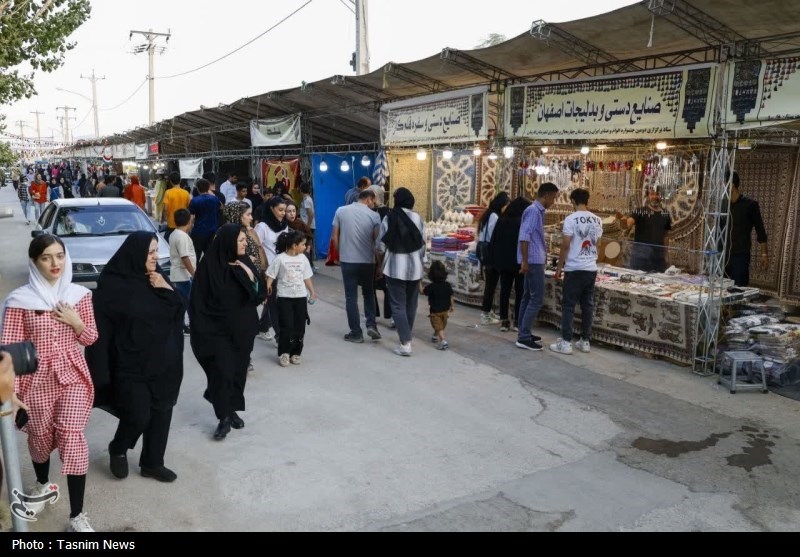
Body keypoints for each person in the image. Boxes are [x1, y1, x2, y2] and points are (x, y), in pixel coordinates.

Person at [1, 235, 98, 532]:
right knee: (40, 439)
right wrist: (10, 392)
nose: (55, 263)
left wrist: (76, 323)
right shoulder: (21, 301)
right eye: (46, 257)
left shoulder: (79, 295)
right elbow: (8, 348)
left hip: (72, 376)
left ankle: (77, 516)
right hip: (36, 380)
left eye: (60, 255)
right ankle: (43, 484)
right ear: (34, 262)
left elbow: (91, 337)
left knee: (72, 436)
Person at [85, 232, 185, 487]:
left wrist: (167, 290)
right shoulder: (111, 288)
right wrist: (100, 373)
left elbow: (178, 313)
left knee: (162, 413)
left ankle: (152, 463)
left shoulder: (157, 279)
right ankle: (118, 447)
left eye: (155, 252)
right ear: (135, 254)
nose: (155, 257)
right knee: (139, 415)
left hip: (164, 363)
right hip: (129, 366)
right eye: (150, 253)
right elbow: (100, 334)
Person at [189, 224, 266, 441]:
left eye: (245, 240)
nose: (245, 243)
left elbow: (259, 296)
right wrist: (202, 330)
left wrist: (251, 276)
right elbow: (197, 303)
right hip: (215, 332)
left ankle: (230, 408)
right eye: (241, 240)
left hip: (242, 331)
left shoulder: (245, 263)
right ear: (228, 242)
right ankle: (223, 417)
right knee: (222, 371)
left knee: (237, 372)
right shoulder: (208, 267)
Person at [550, 189, 603, 356]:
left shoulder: (570, 219)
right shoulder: (597, 220)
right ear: (587, 200)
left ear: (573, 201)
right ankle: (585, 341)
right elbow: (599, 244)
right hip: (590, 268)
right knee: (587, 305)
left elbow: (565, 245)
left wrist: (559, 267)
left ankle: (566, 342)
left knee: (569, 305)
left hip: (574, 268)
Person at [377, 188, 426, 357]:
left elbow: (381, 245)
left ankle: (405, 343)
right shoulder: (418, 218)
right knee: (411, 304)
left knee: (397, 305)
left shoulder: (389, 217)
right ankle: (406, 336)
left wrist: (379, 257)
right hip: (415, 268)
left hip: (395, 268)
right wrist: (422, 263)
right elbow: (422, 243)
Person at [332, 189, 382, 343]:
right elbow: (377, 243)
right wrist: (379, 264)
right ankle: (371, 325)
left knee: (351, 297)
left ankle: (356, 332)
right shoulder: (374, 216)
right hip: (367, 262)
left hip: (348, 261)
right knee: (368, 293)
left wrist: (339, 255)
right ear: (368, 199)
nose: (373, 205)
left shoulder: (341, 211)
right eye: (373, 202)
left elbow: (335, 237)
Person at [516, 182, 559, 352]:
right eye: (554, 198)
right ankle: (524, 337)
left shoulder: (536, 211)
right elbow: (524, 237)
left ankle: (524, 331)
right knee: (536, 298)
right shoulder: (534, 211)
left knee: (528, 297)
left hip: (533, 259)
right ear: (547, 196)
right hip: (533, 261)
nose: (554, 201)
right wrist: (525, 261)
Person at [266, 231, 317, 368]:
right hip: (284, 298)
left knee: (300, 326)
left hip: (300, 297)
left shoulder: (303, 259)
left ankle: (296, 352)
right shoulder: (280, 259)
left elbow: (306, 276)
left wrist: (312, 291)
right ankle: (284, 353)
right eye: (303, 244)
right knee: (287, 326)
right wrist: (266, 291)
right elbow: (270, 275)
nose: (306, 247)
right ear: (294, 245)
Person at [491, 197, 531, 332]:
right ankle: (517, 322)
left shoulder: (501, 220)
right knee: (520, 292)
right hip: (519, 262)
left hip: (504, 262)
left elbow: (494, 241)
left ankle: (504, 321)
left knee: (505, 291)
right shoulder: (522, 222)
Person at [723, 171, 769, 287]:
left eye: (723, 184)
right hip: (722, 256)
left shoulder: (750, 205)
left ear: (731, 185)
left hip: (740, 255)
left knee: (738, 290)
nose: (720, 188)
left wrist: (764, 254)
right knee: (721, 291)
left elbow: (760, 230)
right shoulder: (722, 205)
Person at [254, 197, 289, 343]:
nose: (283, 213)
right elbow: (255, 247)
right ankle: (280, 336)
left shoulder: (284, 225)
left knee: (273, 301)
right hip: (267, 271)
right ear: (271, 208)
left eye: (285, 210)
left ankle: (262, 326)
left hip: (282, 268)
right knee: (275, 302)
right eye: (280, 210)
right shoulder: (262, 227)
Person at [616, 188, 671, 273]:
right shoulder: (640, 211)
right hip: (641, 258)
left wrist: (666, 255)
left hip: (658, 259)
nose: (655, 197)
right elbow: (627, 225)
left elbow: (666, 236)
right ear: (647, 196)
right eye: (652, 194)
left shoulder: (665, 214)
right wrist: (622, 220)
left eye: (657, 194)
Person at [478, 192, 510, 325]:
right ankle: (485, 314)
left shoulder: (488, 214)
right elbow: (493, 236)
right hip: (491, 254)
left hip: (486, 252)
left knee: (490, 284)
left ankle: (488, 311)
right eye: (506, 205)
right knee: (491, 285)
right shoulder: (494, 216)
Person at [169, 209, 197, 335]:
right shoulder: (182, 237)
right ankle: (185, 326)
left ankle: (184, 325)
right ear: (188, 221)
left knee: (183, 301)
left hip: (179, 274)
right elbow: (184, 256)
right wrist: (193, 273)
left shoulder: (174, 234)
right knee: (187, 302)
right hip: (183, 275)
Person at [422, 261, 454, 351]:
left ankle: (443, 341)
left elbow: (422, 292)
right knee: (441, 326)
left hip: (435, 312)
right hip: (445, 310)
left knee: (438, 327)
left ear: (431, 275)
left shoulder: (431, 286)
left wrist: (418, 283)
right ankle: (435, 336)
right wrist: (452, 306)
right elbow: (451, 295)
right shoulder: (447, 285)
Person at [189, 178, 222, 259]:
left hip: (198, 231)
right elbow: (221, 206)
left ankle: (195, 271)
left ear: (197, 188)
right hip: (212, 231)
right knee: (210, 256)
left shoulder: (194, 201)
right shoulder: (214, 199)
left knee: (196, 256)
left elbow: (192, 217)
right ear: (208, 187)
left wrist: (189, 229)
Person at [162, 172, 191, 240]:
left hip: (172, 223)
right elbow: (189, 208)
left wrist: (163, 219)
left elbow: (165, 209)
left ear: (171, 181)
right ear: (180, 180)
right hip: (183, 224)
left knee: (168, 243)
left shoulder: (168, 192)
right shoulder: (186, 193)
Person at [300, 184, 316, 267]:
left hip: (308, 226)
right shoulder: (307, 199)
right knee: (307, 245)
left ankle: (310, 265)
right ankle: (310, 264)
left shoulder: (307, 200)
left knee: (306, 246)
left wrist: (308, 226)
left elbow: (311, 214)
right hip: (308, 225)